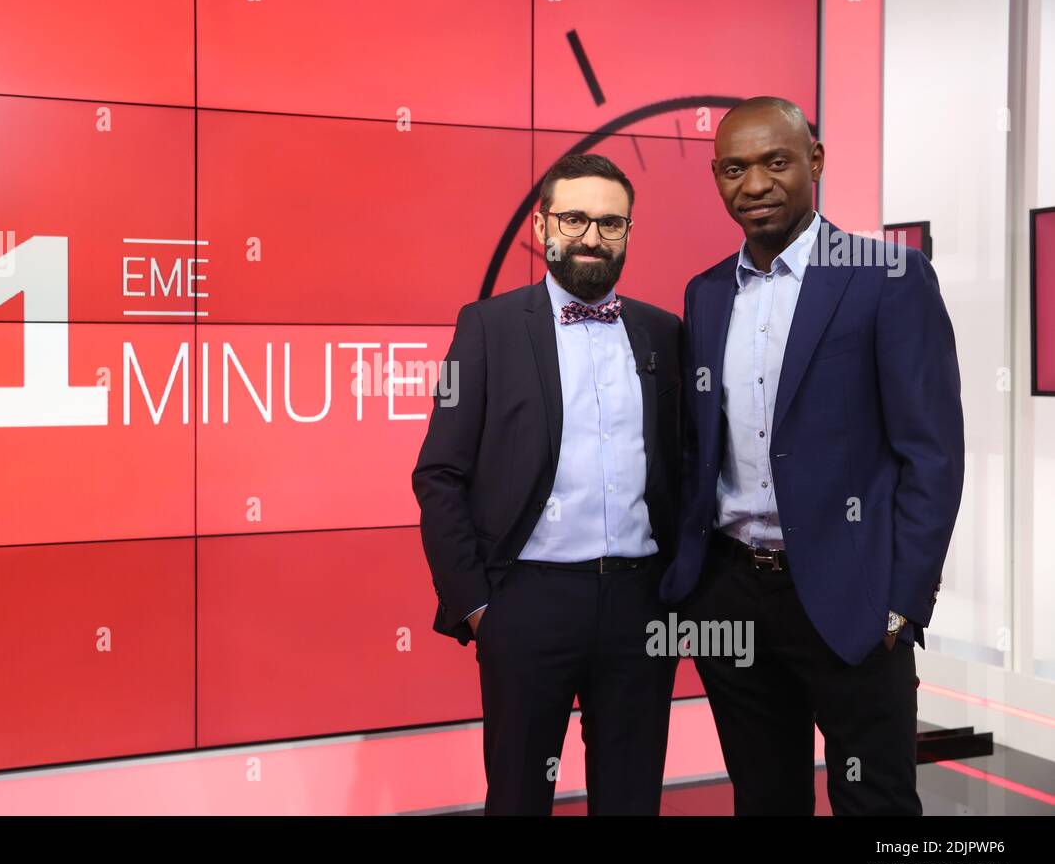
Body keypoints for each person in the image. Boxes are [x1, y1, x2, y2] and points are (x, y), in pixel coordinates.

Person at [661, 96, 965, 815]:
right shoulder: (705, 294)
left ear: (816, 161)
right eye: (734, 169)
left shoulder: (889, 277)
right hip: (732, 594)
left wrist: (903, 602)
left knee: (877, 807)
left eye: (776, 161)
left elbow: (933, 454)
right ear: (716, 177)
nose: (755, 184)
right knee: (764, 801)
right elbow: (697, 447)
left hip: (853, 597)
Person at [412, 153, 682, 815]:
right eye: (575, 218)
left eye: (611, 222)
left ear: (629, 232)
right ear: (542, 226)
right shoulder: (487, 327)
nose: (592, 236)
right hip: (527, 604)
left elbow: (688, 464)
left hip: (641, 607)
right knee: (518, 798)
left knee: (632, 798)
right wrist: (477, 607)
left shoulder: (664, 333)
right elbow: (438, 472)